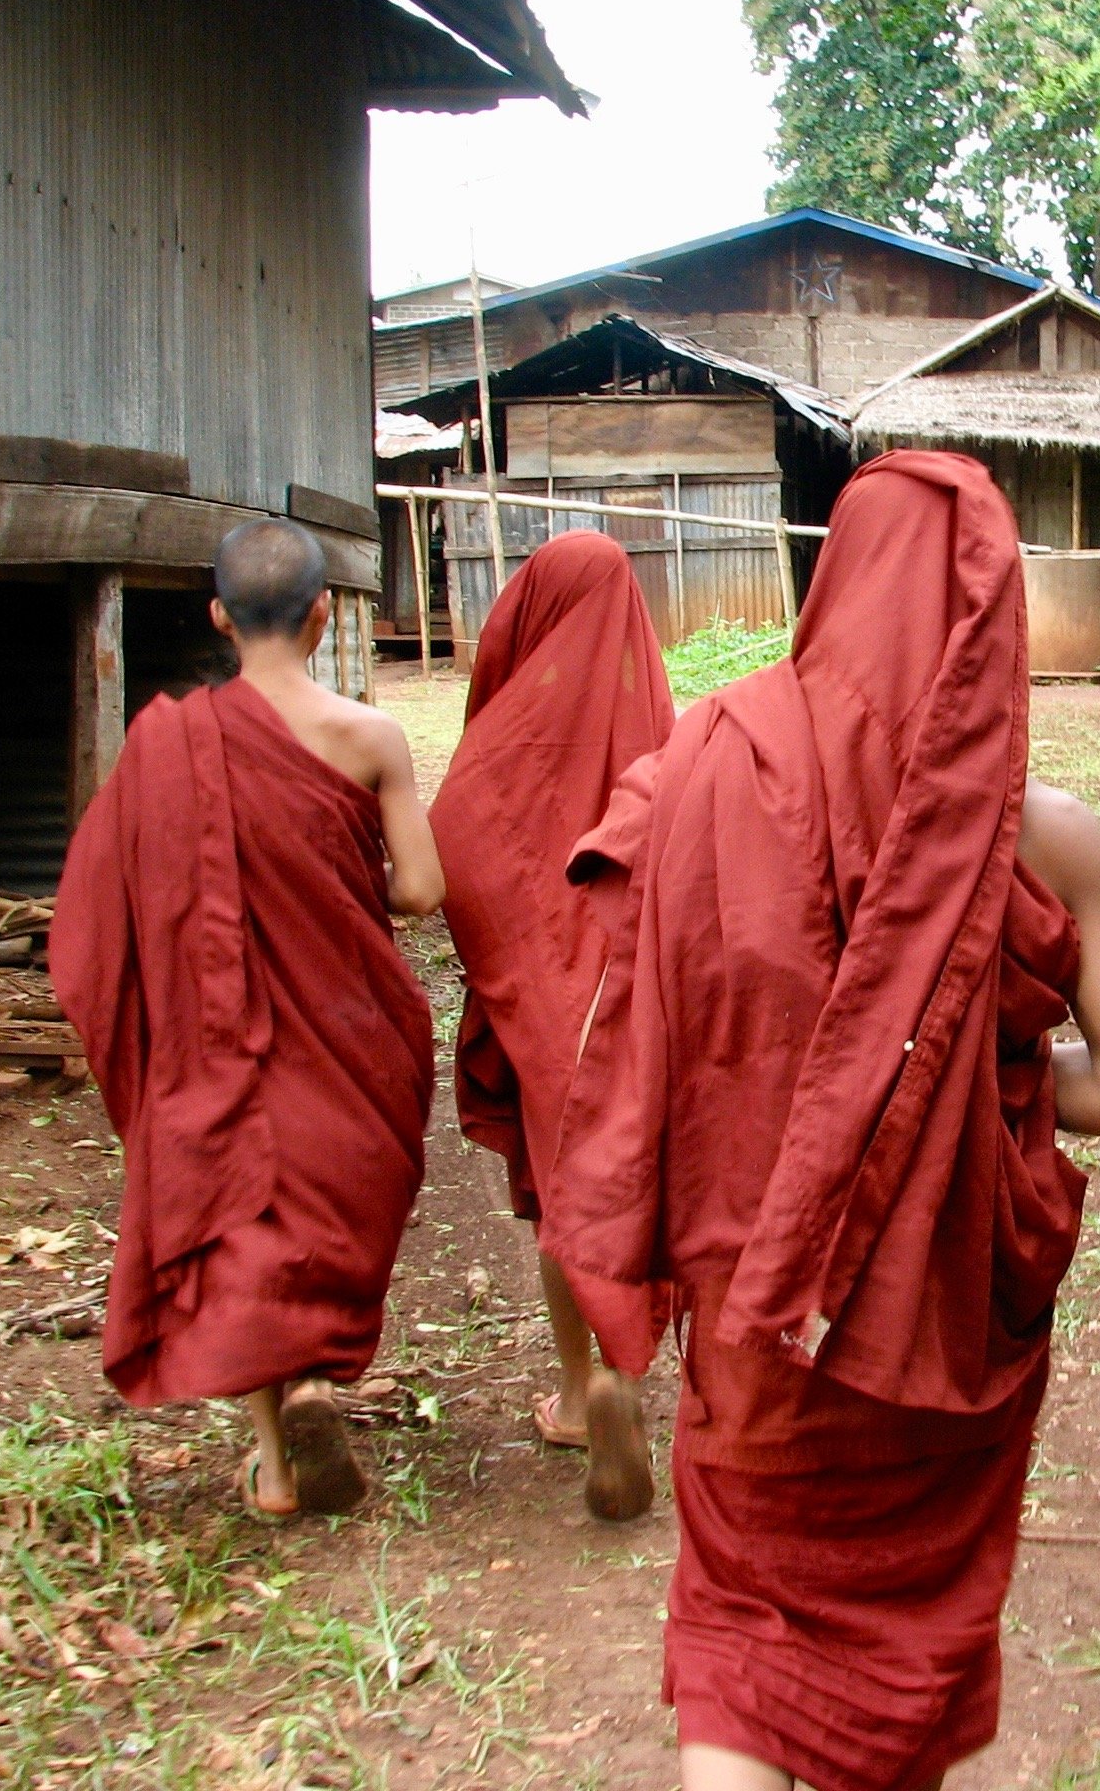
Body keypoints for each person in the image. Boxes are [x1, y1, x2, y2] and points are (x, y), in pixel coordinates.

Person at [549, 452, 1100, 1791]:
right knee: (903, 1644)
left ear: (832, 588)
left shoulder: (707, 764)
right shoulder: (1051, 838)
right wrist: (964, 1090)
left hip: (757, 1300)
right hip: (937, 1313)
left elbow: (644, 1021)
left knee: (739, 1617)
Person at [52, 519, 443, 1519]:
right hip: (349, 1024)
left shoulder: (167, 748)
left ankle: (276, 1456)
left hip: (221, 1036)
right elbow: (422, 890)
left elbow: (109, 907)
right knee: (330, 1200)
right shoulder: (372, 737)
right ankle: (316, 1379)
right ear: (324, 612)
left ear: (219, 616)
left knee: (247, 1222)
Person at [431, 532, 671, 1522]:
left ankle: (578, 1392)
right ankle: (633, 1371)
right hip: (642, 1005)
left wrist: (519, 973)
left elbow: (452, 843)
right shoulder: (665, 731)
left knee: (558, 1190)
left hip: (542, 1009)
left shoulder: (499, 748)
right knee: (637, 1173)